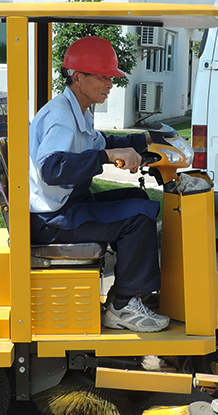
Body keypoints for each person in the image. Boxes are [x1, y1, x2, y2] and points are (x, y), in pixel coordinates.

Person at [29, 36, 169, 332]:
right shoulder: (61, 116)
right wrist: (107, 156)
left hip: (65, 205)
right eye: (103, 77)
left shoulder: (77, 110)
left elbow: (100, 142)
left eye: (111, 77)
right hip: (50, 219)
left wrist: (143, 141)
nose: (110, 84)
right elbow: (52, 168)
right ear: (79, 78)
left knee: (136, 198)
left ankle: (127, 290)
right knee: (137, 217)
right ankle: (123, 306)